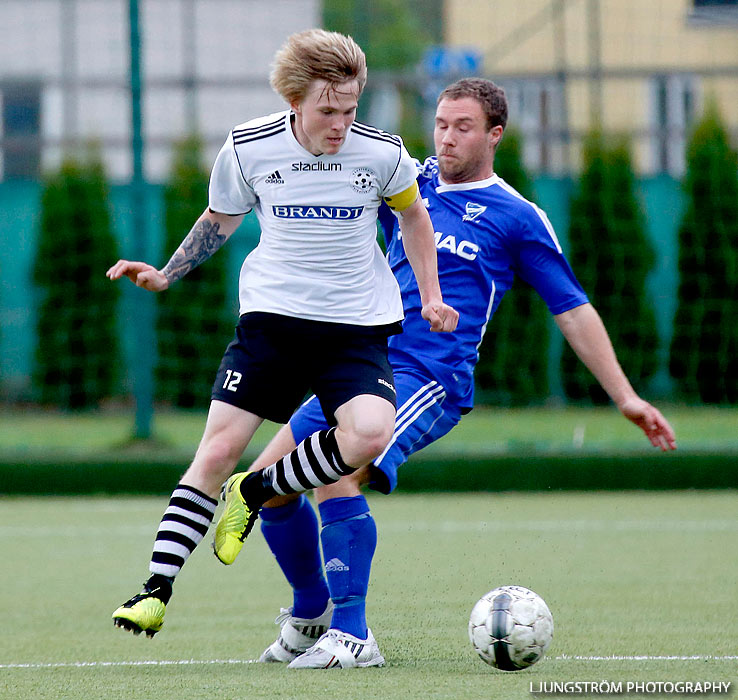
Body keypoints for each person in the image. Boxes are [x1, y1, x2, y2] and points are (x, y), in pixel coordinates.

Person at [231, 77, 677, 669]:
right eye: (440, 124)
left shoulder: (518, 217)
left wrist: (625, 397)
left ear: (495, 135)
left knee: (334, 472)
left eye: (462, 127)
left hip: (429, 378)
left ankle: (354, 634)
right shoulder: (405, 180)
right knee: (264, 486)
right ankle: (311, 616)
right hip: (361, 363)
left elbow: (572, 310)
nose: (446, 138)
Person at [105, 28, 458, 640]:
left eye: (349, 109)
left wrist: (430, 295)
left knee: (370, 436)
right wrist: (166, 275)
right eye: (327, 110)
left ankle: (259, 488)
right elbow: (219, 220)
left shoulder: (383, 154)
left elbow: (413, 216)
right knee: (215, 452)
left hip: (354, 328)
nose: (340, 124)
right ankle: (154, 592)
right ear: (294, 100)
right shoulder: (247, 148)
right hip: (272, 322)